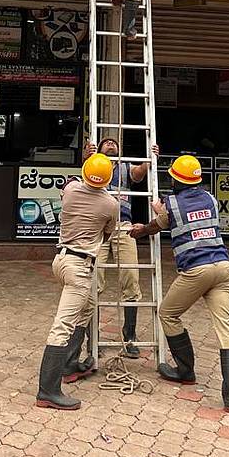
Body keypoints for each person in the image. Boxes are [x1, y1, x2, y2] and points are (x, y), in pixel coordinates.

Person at [130, 154, 229, 410]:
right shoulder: (211, 199)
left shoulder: (171, 204)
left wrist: (145, 225)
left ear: (176, 179)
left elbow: (157, 225)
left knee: (168, 313)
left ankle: (185, 370)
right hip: (224, 268)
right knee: (226, 328)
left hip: (196, 271)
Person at [36, 152, 119, 411]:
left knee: (88, 305)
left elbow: (72, 183)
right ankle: (47, 391)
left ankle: (70, 364)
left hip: (61, 260)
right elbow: (108, 234)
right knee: (62, 326)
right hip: (80, 267)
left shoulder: (70, 189)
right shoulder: (110, 204)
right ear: (109, 178)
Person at [81, 138, 159, 358]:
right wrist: (86, 156)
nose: (111, 145)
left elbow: (140, 172)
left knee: (131, 280)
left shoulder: (125, 168)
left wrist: (150, 156)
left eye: (114, 143)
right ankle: (92, 339)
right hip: (98, 228)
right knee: (94, 283)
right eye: (106, 142)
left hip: (124, 227)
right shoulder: (93, 166)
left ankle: (130, 337)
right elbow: (84, 174)